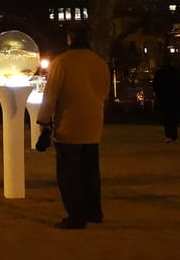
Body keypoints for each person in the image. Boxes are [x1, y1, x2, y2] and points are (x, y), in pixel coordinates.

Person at [35, 22, 110, 230]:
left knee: (69, 174)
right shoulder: (99, 62)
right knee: (91, 171)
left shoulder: (63, 62)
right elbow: (103, 92)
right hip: (93, 123)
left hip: (68, 124)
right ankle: (94, 211)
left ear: (70, 38)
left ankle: (76, 216)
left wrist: (44, 122)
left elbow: (51, 96)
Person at [151, 56, 180, 142]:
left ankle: (168, 135)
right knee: (174, 117)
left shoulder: (160, 72)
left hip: (164, 97)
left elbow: (155, 85)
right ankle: (174, 136)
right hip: (175, 97)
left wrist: (157, 94)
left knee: (166, 117)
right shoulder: (176, 72)